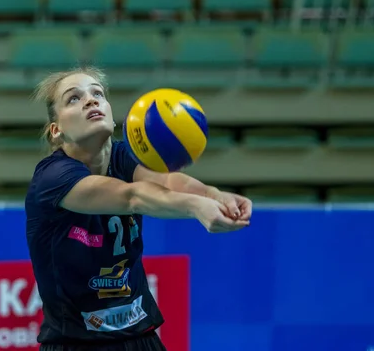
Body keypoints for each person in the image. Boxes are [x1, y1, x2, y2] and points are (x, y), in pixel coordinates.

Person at [24, 66, 253, 351]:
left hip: (139, 338)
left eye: (98, 93)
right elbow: (131, 197)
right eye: (74, 98)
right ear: (56, 130)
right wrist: (196, 207)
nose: (91, 100)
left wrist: (214, 195)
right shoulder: (52, 177)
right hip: (75, 343)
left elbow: (168, 179)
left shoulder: (123, 157)